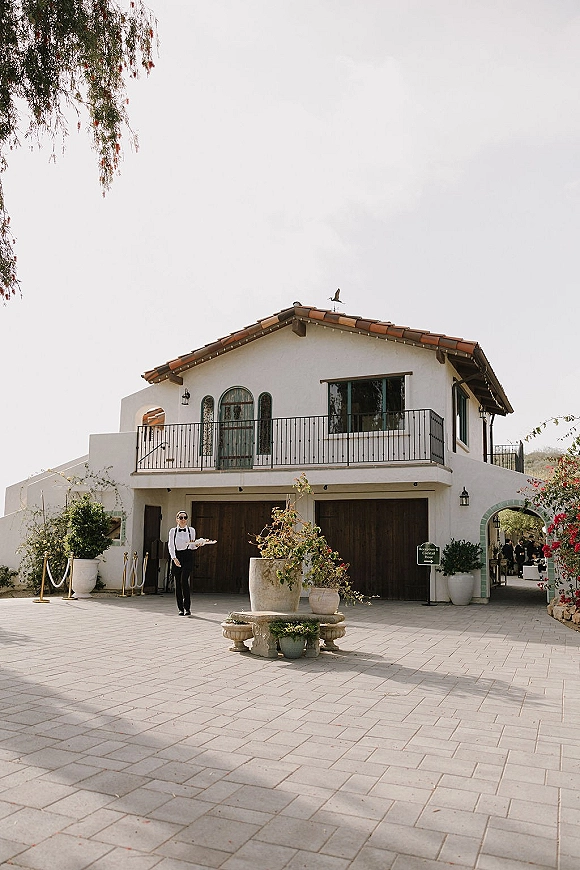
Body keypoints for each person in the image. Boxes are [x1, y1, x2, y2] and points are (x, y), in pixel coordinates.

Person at [168, 511, 197, 616]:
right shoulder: (172, 531)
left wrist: (198, 544)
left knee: (184, 580)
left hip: (187, 556)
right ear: (177, 519)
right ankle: (180, 608)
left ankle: (187, 607)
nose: (183, 519)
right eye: (181, 517)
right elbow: (171, 545)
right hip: (177, 556)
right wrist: (174, 558)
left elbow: (192, 546)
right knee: (178, 583)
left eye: (185, 517)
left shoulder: (191, 530)